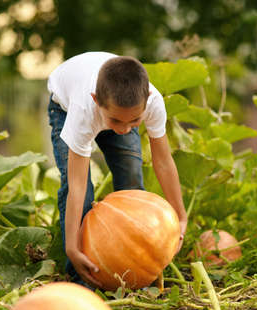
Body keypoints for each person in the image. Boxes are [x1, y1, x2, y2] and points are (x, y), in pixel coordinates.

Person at [47, 51, 187, 287]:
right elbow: (78, 185)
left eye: (134, 122)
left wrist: (181, 216)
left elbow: (163, 162)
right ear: (95, 100)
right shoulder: (83, 110)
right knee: (82, 193)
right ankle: (82, 276)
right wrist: (72, 246)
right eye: (116, 122)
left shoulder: (151, 103)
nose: (124, 130)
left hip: (116, 105)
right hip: (64, 106)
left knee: (131, 176)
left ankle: (136, 264)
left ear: (148, 99)